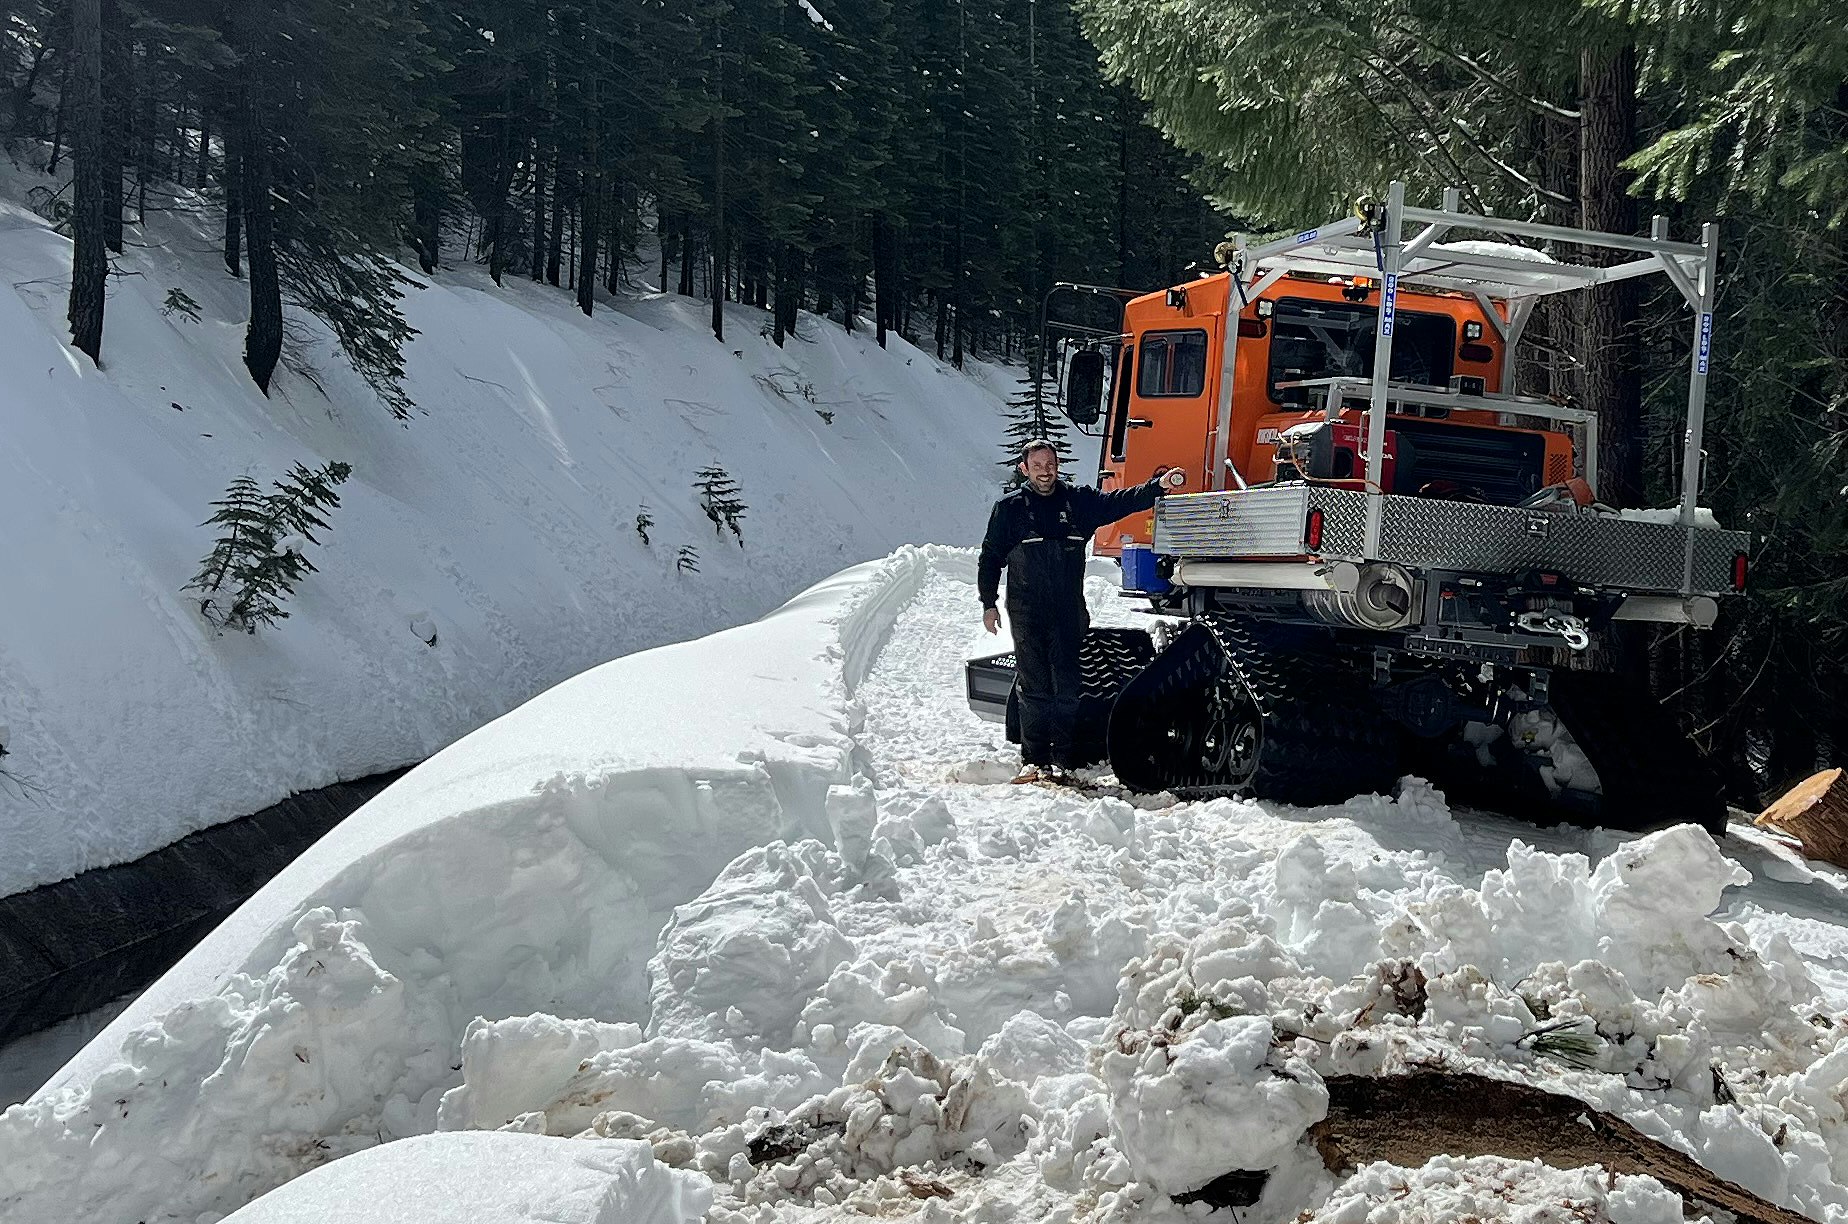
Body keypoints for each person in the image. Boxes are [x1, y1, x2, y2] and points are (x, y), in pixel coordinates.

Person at [978, 440, 1181, 783]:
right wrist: (988, 603)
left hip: (1068, 612)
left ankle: (1065, 757)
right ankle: (1035, 758)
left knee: (1069, 687)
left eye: (1050, 463)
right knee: (1035, 686)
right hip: (1028, 612)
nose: (1045, 470)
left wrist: (1156, 488)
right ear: (1025, 469)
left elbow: (1119, 502)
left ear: (1057, 466)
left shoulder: (1077, 503)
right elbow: (991, 557)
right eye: (1038, 465)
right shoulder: (1010, 509)